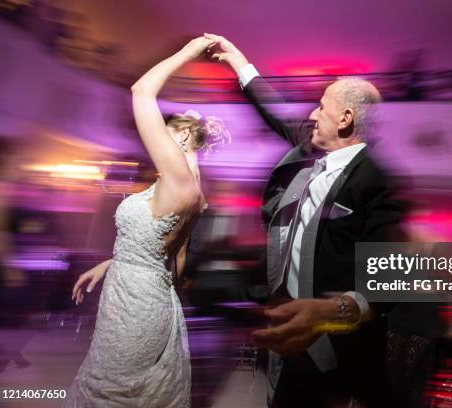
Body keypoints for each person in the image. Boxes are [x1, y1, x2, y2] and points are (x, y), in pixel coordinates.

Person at [206, 33, 409, 407]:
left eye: (320, 106)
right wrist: (239, 63)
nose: (312, 114)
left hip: (336, 352)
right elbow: (275, 111)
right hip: (289, 341)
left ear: (345, 118)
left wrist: (332, 311)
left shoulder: (379, 182)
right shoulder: (310, 146)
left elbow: (394, 279)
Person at [65, 36, 229, 407]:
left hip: (134, 305)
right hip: (147, 295)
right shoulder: (194, 191)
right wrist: (112, 263)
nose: (153, 139)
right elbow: (172, 260)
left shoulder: (178, 181)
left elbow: (141, 90)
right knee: (123, 389)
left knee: (110, 390)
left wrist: (189, 52)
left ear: (184, 135)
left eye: (167, 130)